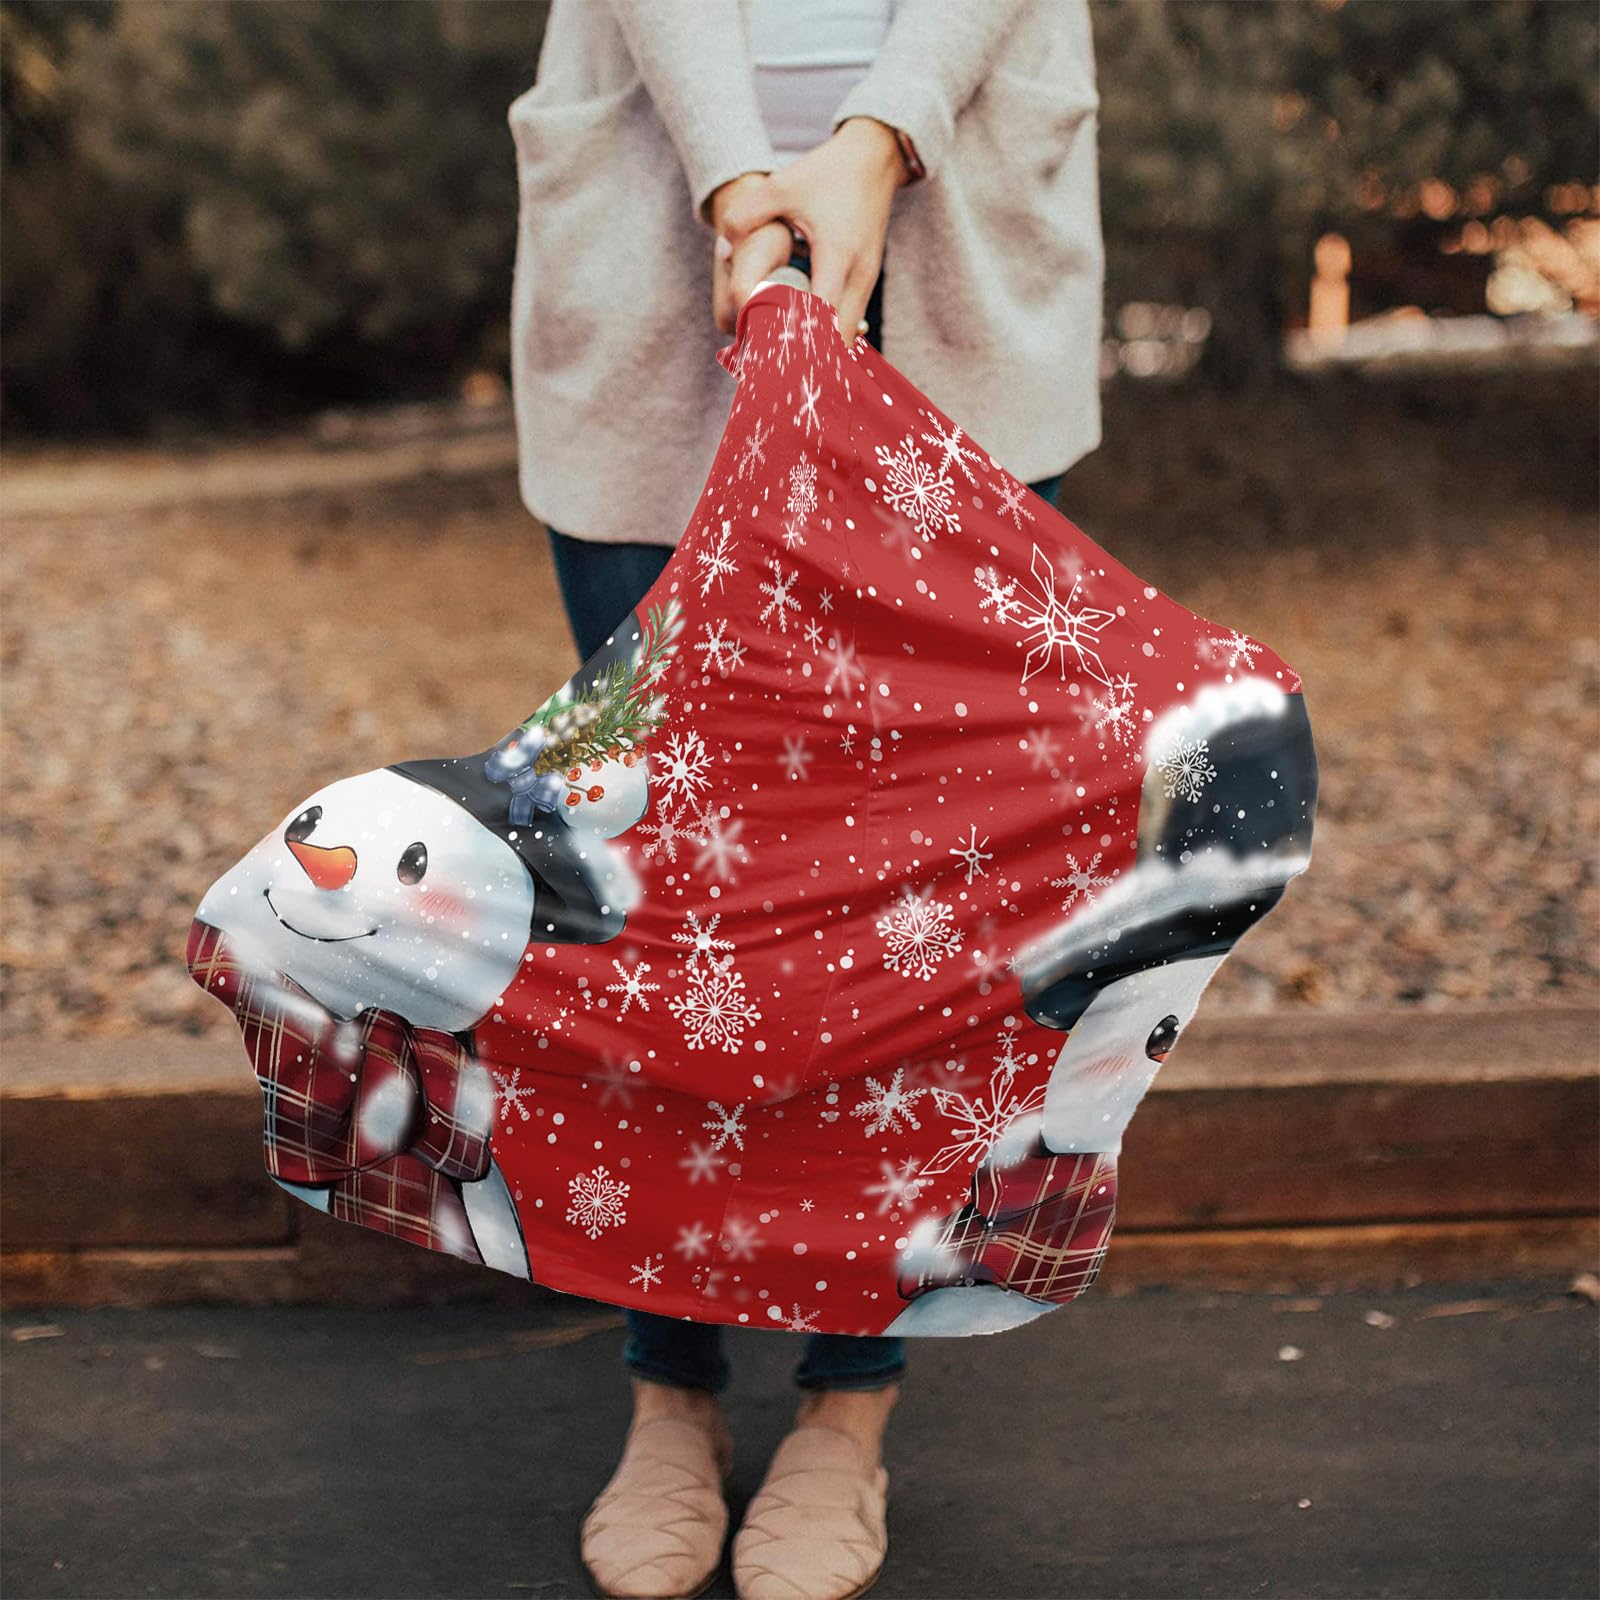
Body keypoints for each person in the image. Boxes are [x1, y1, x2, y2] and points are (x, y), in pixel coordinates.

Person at [505, 4, 1103, 1596]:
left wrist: (879, 140)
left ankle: (849, 1403)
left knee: (913, 889)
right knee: (662, 878)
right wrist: (735, 180)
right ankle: (671, 1386)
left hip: (960, 233)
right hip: (655, 226)